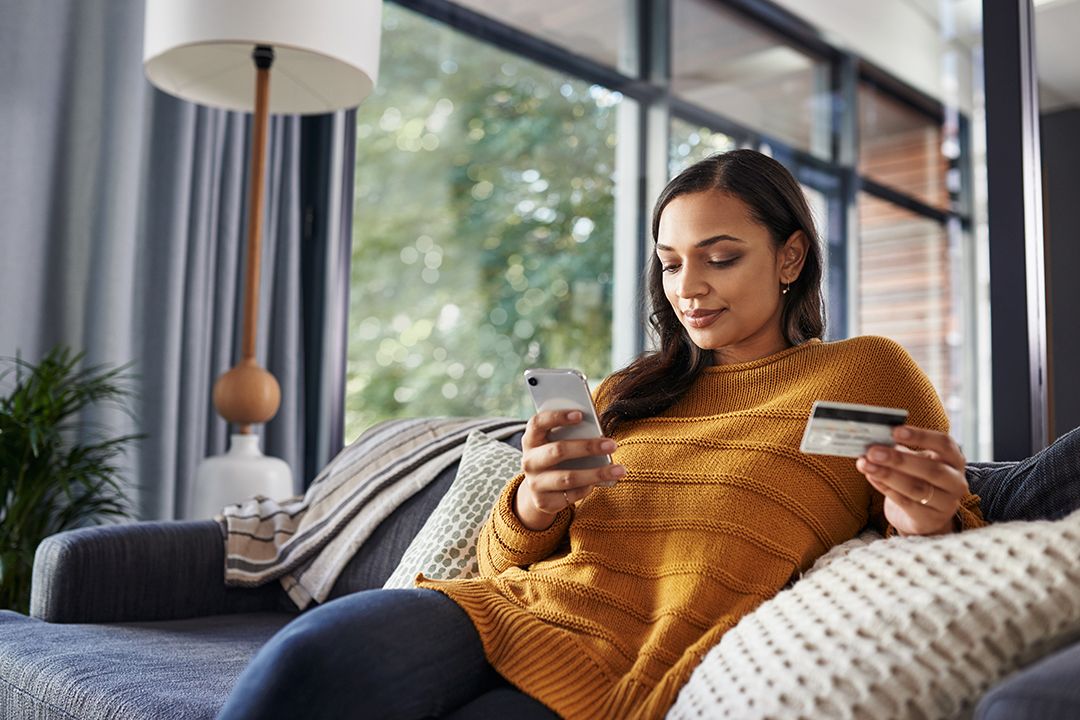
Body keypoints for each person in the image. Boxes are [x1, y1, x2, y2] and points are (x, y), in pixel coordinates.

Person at [216, 150, 984, 720]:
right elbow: (499, 561)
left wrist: (926, 519)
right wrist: (535, 503)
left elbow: (942, 547)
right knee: (301, 664)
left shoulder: (867, 373)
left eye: (721, 258)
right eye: (672, 262)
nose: (689, 287)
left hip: (631, 666)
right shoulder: (631, 390)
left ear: (791, 256)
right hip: (502, 606)